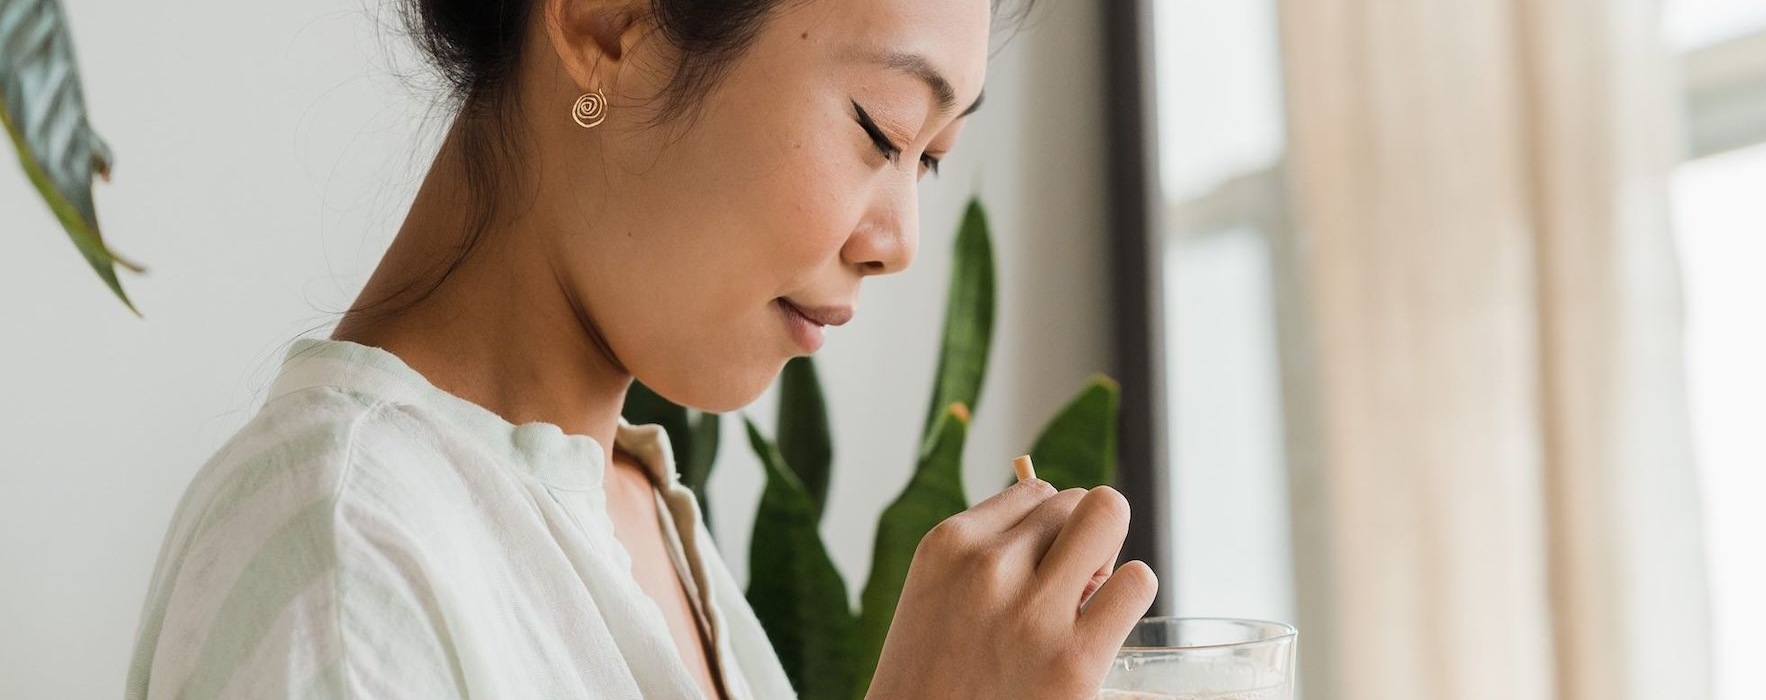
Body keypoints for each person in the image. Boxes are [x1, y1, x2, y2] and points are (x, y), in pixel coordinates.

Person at [124, 0, 1158, 697]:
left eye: (929, 158)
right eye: (882, 130)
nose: (899, 243)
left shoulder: (634, 516)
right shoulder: (346, 558)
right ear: (606, 23)